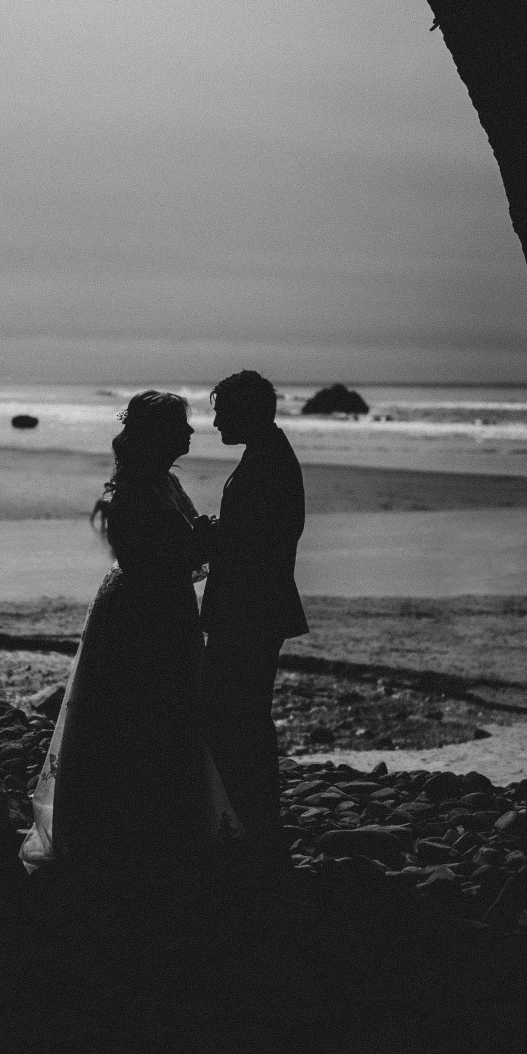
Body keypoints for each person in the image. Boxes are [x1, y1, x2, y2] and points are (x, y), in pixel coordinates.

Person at [20, 391, 241, 877]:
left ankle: (152, 830)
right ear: (159, 434)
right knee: (138, 712)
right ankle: (132, 834)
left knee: (161, 712)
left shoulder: (158, 482)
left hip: (162, 606)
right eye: (181, 426)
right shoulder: (137, 493)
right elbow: (164, 555)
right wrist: (221, 534)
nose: (190, 433)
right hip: (142, 614)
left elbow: (182, 546)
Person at [198, 371, 309, 865]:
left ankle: (255, 824)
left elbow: (255, 543)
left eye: (223, 410)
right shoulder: (267, 455)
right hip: (256, 606)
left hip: (250, 609)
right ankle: (255, 820)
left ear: (248, 412)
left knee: (239, 716)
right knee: (241, 715)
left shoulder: (268, 463)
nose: (216, 419)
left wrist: (203, 537)